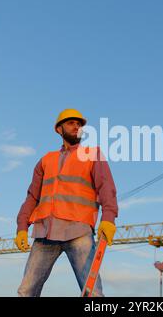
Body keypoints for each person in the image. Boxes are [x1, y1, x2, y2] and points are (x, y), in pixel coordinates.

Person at [14, 108, 119, 297]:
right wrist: (22, 227)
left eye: (79, 124)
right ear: (58, 129)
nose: (76, 126)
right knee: (26, 291)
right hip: (45, 234)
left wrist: (109, 218)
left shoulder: (92, 154)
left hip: (78, 232)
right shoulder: (46, 160)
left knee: (92, 293)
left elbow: (107, 188)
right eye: (71, 123)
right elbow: (32, 197)